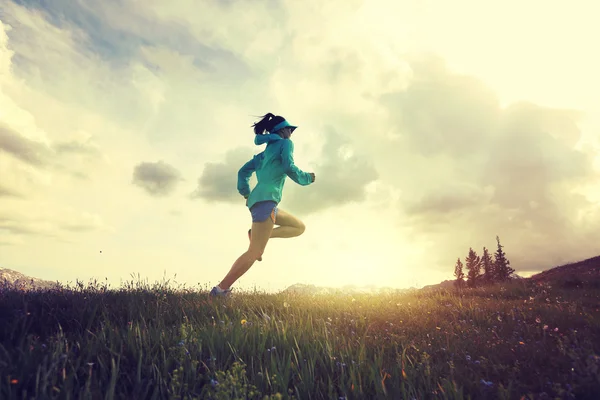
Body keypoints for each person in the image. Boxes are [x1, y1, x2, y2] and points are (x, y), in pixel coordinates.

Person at [209, 113, 316, 298]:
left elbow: (242, 172)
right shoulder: (286, 144)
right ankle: (220, 290)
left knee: (299, 227)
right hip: (267, 202)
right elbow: (289, 166)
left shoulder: (262, 155)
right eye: (289, 129)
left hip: (262, 201)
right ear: (282, 130)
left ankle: (257, 236)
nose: (291, 133)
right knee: (255, 252)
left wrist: (246, 193)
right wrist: (307, 178)